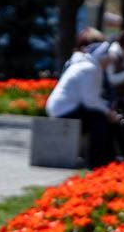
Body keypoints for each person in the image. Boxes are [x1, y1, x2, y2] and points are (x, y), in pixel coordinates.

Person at [46, 38, 119, 168]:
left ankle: (107, 158)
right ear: (102, 57)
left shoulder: (90, 67)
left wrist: (107, 110)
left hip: (68, 108)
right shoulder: (89, 69)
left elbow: (92, 98)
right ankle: (97, 162)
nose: (109, 61)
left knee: (101, 117)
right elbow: (90, 101)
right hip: (63, 110)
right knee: (99, 118)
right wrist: (108, 112)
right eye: (108, 58)